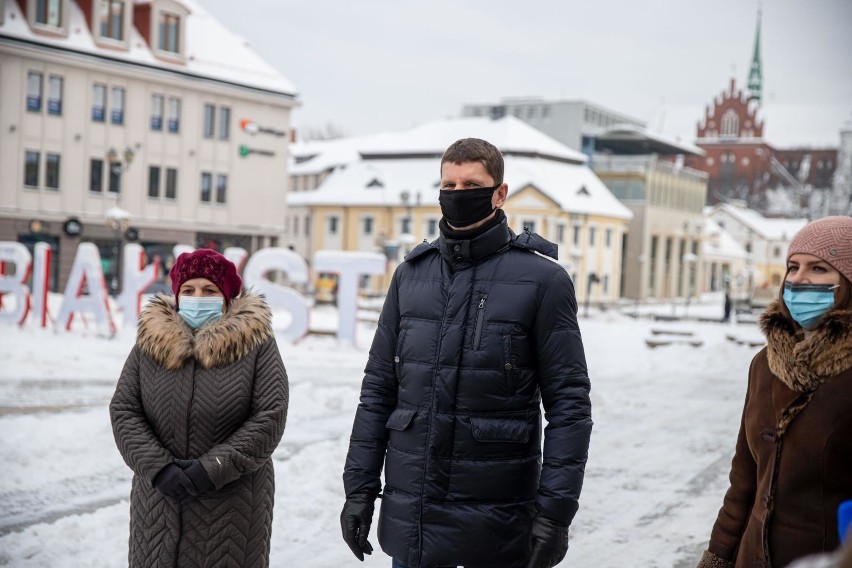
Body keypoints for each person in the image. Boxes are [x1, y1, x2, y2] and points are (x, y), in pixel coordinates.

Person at [341, 138, 592, 568]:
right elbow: (378, 389)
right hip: (414, 520)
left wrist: (554, 515)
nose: (459, 196)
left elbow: (569, 406)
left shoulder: (543, 281)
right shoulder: (411, 276)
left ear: (500, 193)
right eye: (449, 186)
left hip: (496, 525)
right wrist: (360, 488)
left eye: (471, 184)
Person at [110, 248, 289, 567]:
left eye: (209, 290)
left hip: (231, 508)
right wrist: (159, 467)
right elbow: (125, 409)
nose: (197, 297)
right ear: (177, 295)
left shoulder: (257, 345)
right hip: (158, 502)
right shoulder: (151, 344)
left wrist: (212, 469)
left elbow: (270, 415)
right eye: (189, 290)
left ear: (228, 297)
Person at [697, 216, 852, 568]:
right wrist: (716, 558)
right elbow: (743, 484)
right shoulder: (765, 366)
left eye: (818, 268)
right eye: (793, 267)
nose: (797, 279)